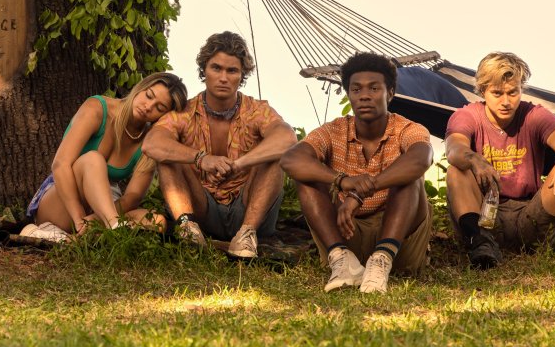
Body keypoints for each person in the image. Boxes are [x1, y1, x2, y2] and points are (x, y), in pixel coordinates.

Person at [445, 52, 555, 269]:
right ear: (483, 91)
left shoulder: (534, 114)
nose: (506, 102)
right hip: (486, 218)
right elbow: (454, 149)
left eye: (513, 92)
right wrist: (473, 159)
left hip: (529, 218)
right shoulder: (467, 115)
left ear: (521, 89)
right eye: (497, 93)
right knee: (456, 169)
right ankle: (479, 245)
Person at [282, 52, 433, 294]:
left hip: (398, 237)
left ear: (390, 93)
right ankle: (341, 261)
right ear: (349, 94)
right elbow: (291, 159)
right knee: (307, 175)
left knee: (410, 177)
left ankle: (381, 260)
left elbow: (421, 158)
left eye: (374, 88)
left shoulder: (407, 128)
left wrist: (361, 192)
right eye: (356, 89)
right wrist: (341, 181)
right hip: (347, 233)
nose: (364, 96)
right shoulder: (334, 130)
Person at [143, 32, 296, 259]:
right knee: (168, 157)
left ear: (241, 75)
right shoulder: (185, 112)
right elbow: (152, 143)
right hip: (202, 208)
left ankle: (246, 237)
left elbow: (287, 139)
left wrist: (239, 164)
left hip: (249, 209)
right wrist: (201, 159)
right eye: (216, 68)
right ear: (204, 70)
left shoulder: (256, 110)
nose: (223, 77)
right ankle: (189, 232)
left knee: (275, 157)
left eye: (232, 71)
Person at [23, 72, 188, 241]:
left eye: (159, 108)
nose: (148, 106)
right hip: (63, 200)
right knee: (93, 159)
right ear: (140, 89)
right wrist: (79, 218)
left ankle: (73, 240)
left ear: (164, 116)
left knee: (155, 220)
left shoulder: (150, 141)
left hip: (104, 208)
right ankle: (110, 227)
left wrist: (93, 221)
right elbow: (60, 164)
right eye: (148, 96)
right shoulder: (97, 108)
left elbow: (133, 196)